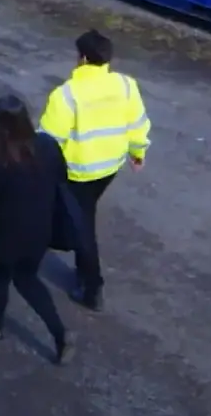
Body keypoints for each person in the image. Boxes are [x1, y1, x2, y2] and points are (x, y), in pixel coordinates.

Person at [39, 29, 150, 311]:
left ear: (83, 58)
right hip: (109, 167)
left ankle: (92, 286)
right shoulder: (126, 85)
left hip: (78, 172)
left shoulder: (66, 95)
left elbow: (48, 140)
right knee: (84, 214)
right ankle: (81, 270)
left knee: (82, 225)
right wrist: (138, 153)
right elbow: (138, 123)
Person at [0, 95, 70, 363]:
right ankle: (60, 333)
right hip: (38, 233)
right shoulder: (47, 146)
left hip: (2, 241)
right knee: (28, 280)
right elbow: (61, 178)